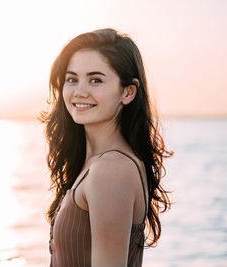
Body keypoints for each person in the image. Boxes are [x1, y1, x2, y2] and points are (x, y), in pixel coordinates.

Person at [40, 28, 173, 266]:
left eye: (95, 80)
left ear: (128, 92)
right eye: (72, 79)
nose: (79, 91)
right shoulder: (96, 164)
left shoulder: (111, 170)